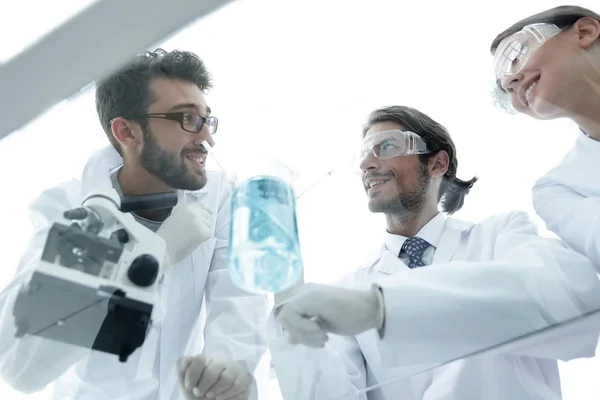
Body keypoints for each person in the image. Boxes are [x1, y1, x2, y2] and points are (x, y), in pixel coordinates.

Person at [270, 105, 600, 400]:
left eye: (385, 147)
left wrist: (384, 308)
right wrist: (286, 297)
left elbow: (574, 303)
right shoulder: (347, 292)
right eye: (364, 155)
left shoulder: (500, 236)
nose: (367, 164)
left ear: (438, 162)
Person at [0, 49, 269, 400]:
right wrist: (151, 258)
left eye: (207, 119)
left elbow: (239, 314)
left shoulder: (221, 198)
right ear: (126, 131)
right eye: (187, 119)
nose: (207, 138)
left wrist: (225, 370)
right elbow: (21, 370)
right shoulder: (65, 208)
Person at [489, 6, 600, 269]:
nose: (510, 82)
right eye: (503, 90)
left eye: (515, 56)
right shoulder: (556, 188)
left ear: (585, 32)